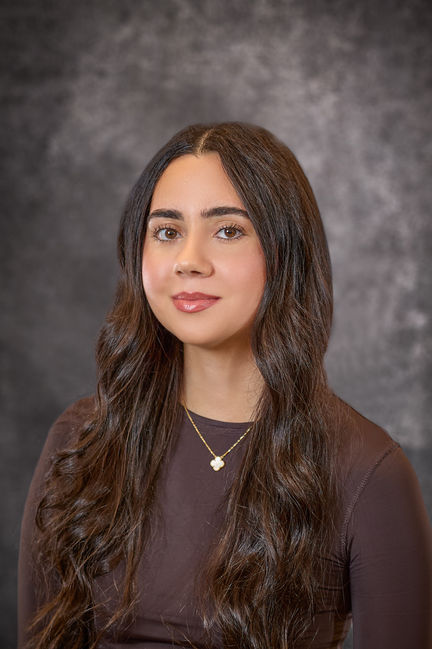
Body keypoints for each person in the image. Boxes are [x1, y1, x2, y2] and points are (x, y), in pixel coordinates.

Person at [18, 122, 432, 649]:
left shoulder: (368, 471)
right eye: (167, 231)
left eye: (228, 230)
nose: (189, 260)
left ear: (285, 253)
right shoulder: (80, 439)